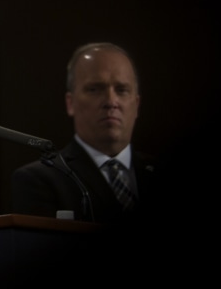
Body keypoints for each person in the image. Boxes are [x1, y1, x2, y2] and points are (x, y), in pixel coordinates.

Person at [10, 42, 157, 225]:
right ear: (70, 103)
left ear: (136, 105)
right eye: (95, 89)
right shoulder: (40, 181)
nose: (111, 101)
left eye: (121, 90)